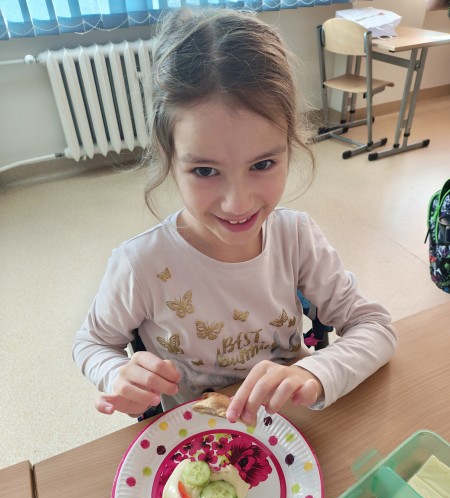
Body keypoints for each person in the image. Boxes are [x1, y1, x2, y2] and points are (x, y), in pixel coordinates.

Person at [73, 7, 397, 426]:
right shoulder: (141, 264)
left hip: (291, 428)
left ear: (290, 147)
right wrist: (116, 374)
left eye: (262, 164)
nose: (237, 204)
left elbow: (376, 327)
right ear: (170, 159)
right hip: (195, 437)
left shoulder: (297, 237)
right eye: (205, 171)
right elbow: (92, 342)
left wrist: (314, 373)